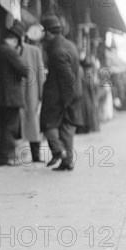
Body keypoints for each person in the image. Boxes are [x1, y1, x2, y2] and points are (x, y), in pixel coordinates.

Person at [40, 15, 83, 171]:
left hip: (60, 95)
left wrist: (66, 100)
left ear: (49, 33)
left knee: (47, 123)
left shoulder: (56, 51)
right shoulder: (70, 45)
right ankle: (68, 161)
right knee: (67, 127)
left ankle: (59, 151)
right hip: (74, 93)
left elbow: (67, 77)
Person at [0, 21, 29, 166]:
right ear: (16, 40)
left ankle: (2, 156)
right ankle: (6, 158)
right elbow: (25, 71)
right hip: (11, 96)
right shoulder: (11, 51)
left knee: (0, 125)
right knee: (10, 127)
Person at [19, 32, 46, 163]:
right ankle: (18, 155)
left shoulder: (34, 51)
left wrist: (42, 94)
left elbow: (40, 74)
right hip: (17, 93)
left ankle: (35, 155)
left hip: (31, 92)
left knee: (33, 123)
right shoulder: (10, 50)